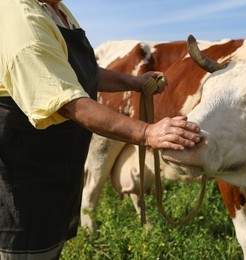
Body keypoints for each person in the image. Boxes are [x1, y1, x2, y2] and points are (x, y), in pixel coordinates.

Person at [0, 0, 201, 259]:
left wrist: (134, 82)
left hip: (55, 168)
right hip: (25, 175)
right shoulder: (20, 21)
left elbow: (81, 72)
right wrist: (147, 133)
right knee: (25, 250)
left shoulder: (57, 10)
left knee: (48, 245)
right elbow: (70, 103)